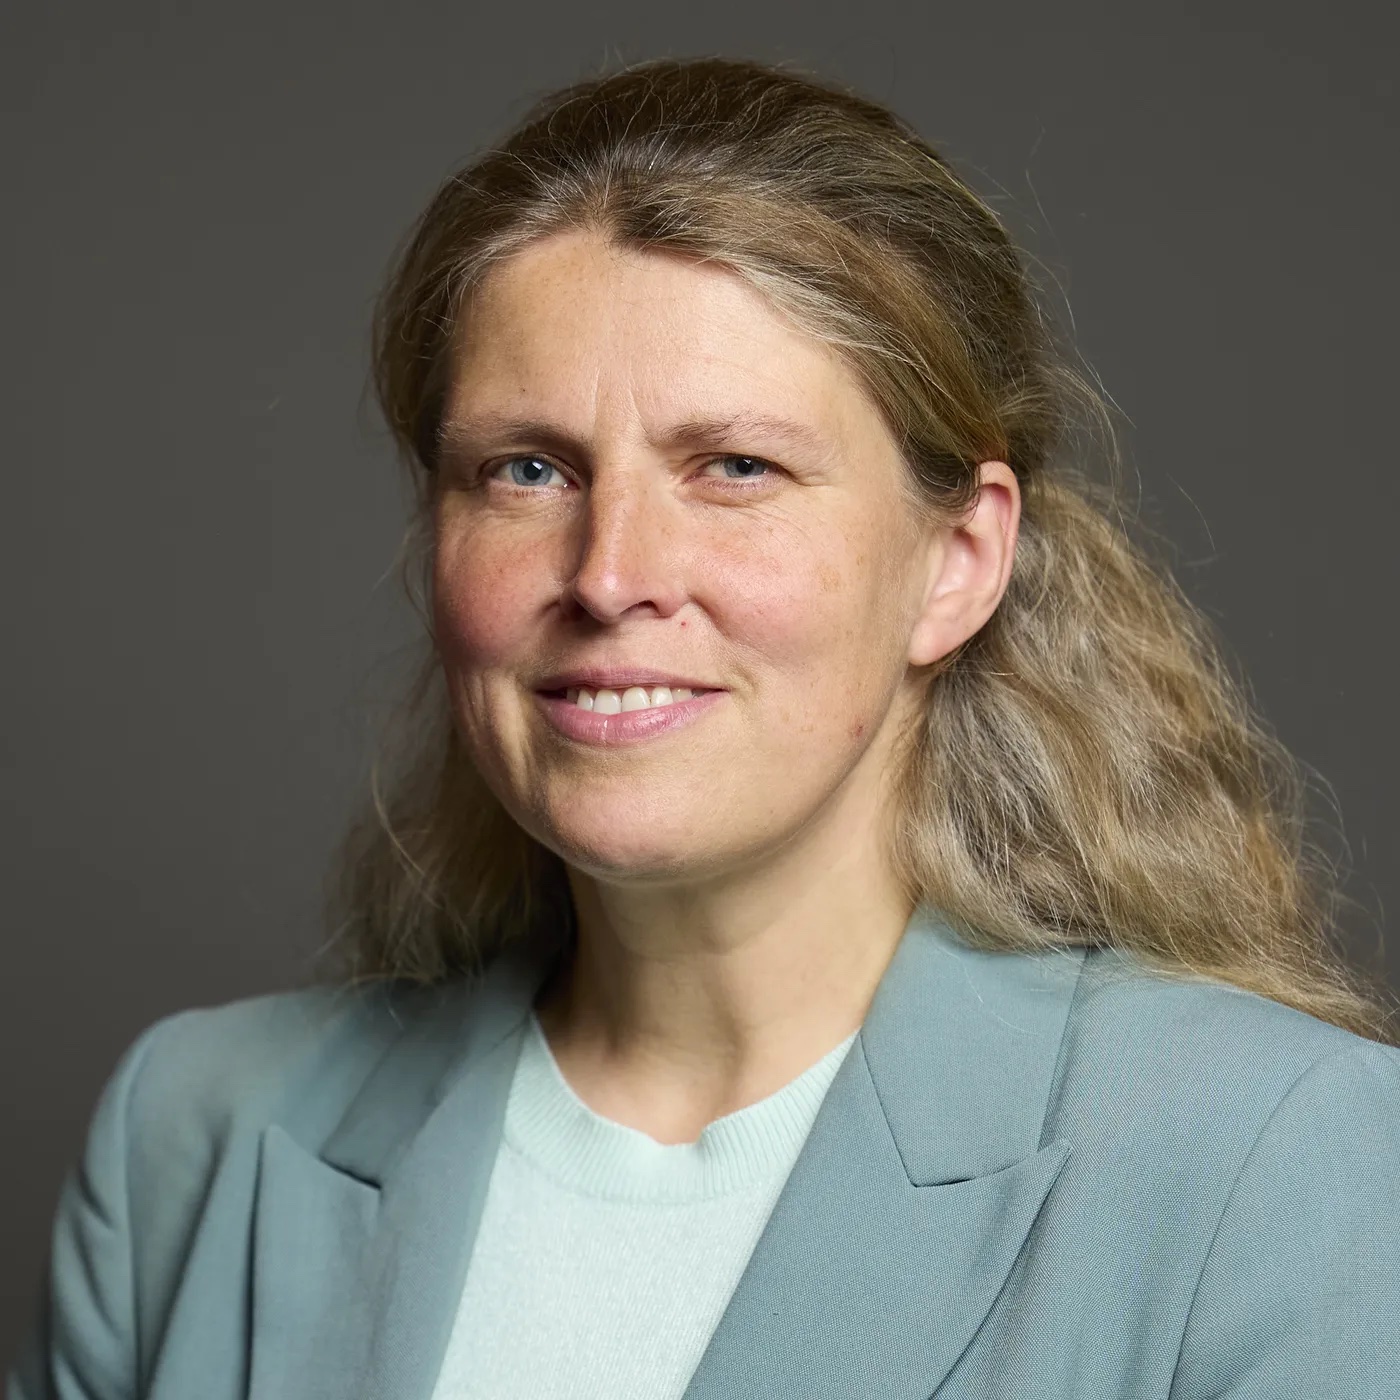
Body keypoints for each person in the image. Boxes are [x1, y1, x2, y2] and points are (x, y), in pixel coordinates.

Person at [9, 55, 1400, 1400]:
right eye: (527, 470)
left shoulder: (1269, 1164)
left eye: (736, 466)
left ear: (956, 562)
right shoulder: (193, 1137)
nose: (610, 574)